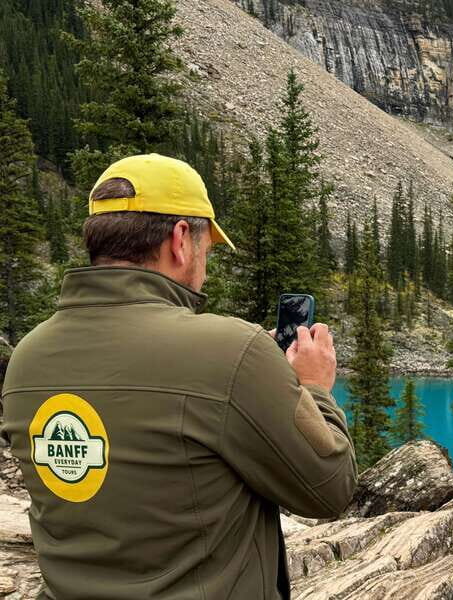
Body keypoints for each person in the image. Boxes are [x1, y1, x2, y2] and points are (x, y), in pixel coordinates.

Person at [1, 154, 357, 600]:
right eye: (208, 249)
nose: (204, 267)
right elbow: (329, 489)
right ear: (181, 239)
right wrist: (312, 388)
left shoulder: (27, 357)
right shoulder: (230, 350)